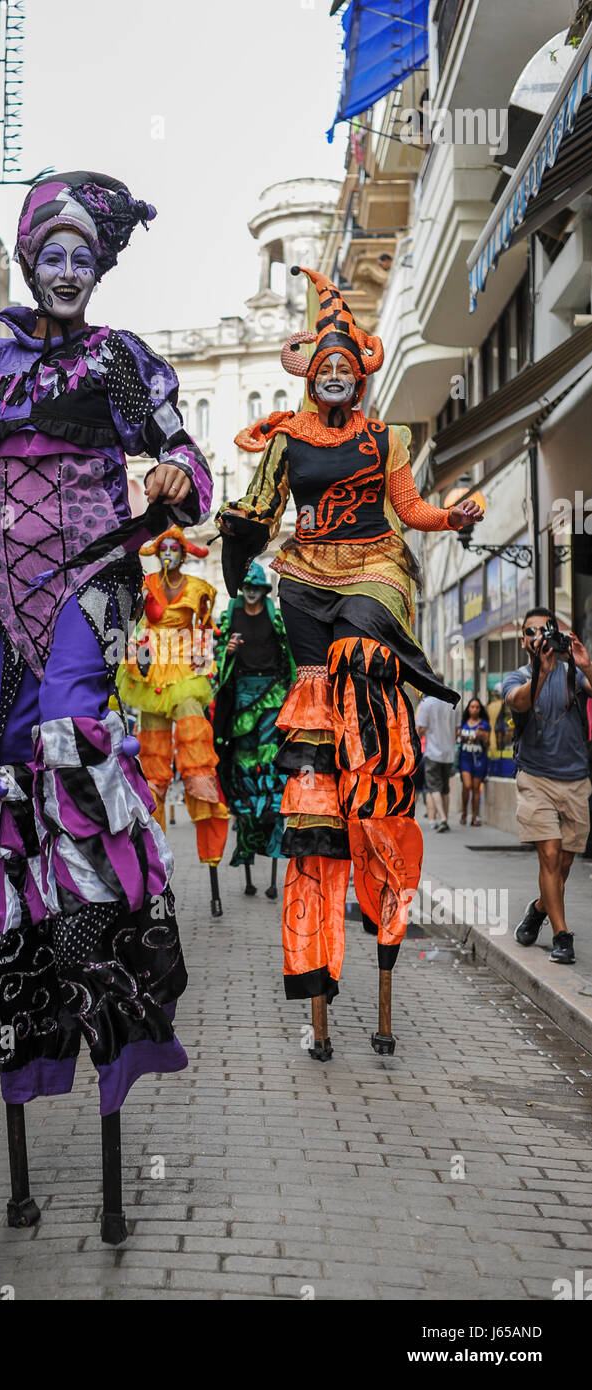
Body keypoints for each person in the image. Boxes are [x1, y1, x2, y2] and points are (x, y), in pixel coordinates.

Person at [0, 170, 212, 1117]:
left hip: (94, 586)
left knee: (72, 736)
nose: (66, 269)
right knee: (2, 774)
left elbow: (184, 452)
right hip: (3, 596)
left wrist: (170, 482)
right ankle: (23, 972)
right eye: (51, 254)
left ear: (97, 268)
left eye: (82, 256)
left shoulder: (117, 358)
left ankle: (106, 940)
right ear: (29, 261)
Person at [218, 267, 482, 1053]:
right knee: (313, 755)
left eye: (347, 364)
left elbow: (410, 510)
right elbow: (259, 517)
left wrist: (451, 516)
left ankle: (378, 786)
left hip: (373, 567)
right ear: (310, 373)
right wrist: (233, 533)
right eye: (323, 363)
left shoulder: (385, 438)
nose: (335, 372)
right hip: (300, 578)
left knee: (362, 653)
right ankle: (316, 921)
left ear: (360, 373)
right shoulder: (286, 439)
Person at [116, 526, 229, 872]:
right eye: (162, 547)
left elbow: (207, 630)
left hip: (184, 675)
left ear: (183, 553)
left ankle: (206, 813)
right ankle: (154, 852)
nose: (167, 553)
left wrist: (202, 658)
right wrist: (133, 652)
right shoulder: (147, 586)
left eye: (173, 548)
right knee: (152, 760)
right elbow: (135, 625)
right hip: (152, 677)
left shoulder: (197, 589)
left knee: (196, 748)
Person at [504, 607, 592, 965]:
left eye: (544, 630)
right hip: (535, 777)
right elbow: (519, 701)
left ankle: (540, 908)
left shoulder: (574, 674)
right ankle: (562, 935)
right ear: (524, 641)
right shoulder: (518, 676)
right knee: (550, 856)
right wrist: (541, 672)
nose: (537, 637)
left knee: (565, 865)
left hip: (575, 779)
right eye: (530, 632)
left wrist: (585, 663)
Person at [212, 561, 295, 890]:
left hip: (272, 696)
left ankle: (273, 814)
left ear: (264, 590)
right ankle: (246, 830)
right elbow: (217, 656)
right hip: (241, 698)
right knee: (244, 766)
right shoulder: (228, 617)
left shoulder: (276, 618)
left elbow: (291, 656)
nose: (251, 592)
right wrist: (227, 651)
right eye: (246, 586)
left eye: (256, 587)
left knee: (270, 762)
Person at [415, 674, 459, 832]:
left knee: (434, 787)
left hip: (433, 752)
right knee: (445, 788)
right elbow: (456, 731)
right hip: (449, 752)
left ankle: (443, 818)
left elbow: (421, 729)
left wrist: (413, 741)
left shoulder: (427, 704)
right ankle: (444, 817)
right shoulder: (452, 703)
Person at [457, 695, 489, 825]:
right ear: (468, 708)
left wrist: (483, 736)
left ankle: (474, 817)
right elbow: (457, 738)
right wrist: (458, 735)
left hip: (479, 759)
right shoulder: (463, 723)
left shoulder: (484, 725)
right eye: (472, 707)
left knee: (476, 788)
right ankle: (464, 812)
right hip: (465, 758)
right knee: (467, 785)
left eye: (477, 707)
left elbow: (487, 744)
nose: (474, 709)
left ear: (480, 709)